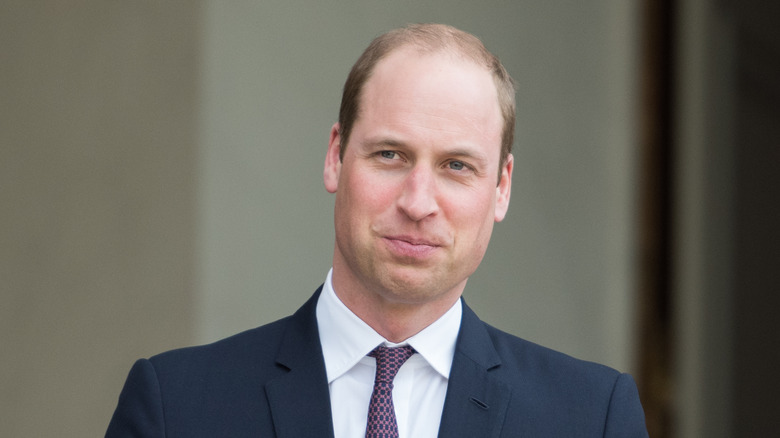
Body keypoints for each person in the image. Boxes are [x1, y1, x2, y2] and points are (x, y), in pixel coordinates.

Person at [106, 23, 648, 437]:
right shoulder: (175, 408)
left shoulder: (591, 418)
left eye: (457, 166)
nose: (418, 203)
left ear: (501, 187)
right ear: (335, 156)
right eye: (390, 155)